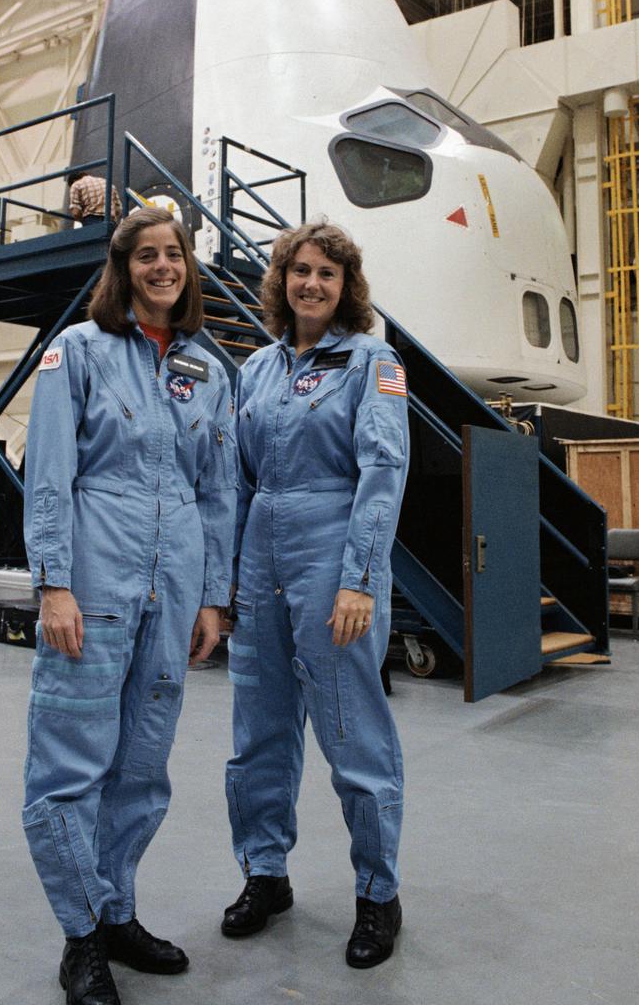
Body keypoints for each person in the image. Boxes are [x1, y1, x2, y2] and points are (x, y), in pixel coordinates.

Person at [22, 206, 236, 1005]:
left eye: (172, 254)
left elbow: (216, 493)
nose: (161, 267)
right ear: (124, 269)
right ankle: (81, 939)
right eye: (145, 255)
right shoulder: (76, 353)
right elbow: (48, 473)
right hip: (96, 578)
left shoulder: (208, 370)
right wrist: (53, 581)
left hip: (174, 584)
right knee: (70, 767)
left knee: (142, 768)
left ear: (188, 267)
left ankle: (117, 912)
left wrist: (212, 600)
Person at [223, 222, 410, 969]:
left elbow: (383, 471)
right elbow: (235, 482)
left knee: (352, 735)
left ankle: (377, 892)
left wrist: (360, 578)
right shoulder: (257, 370)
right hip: (260, 554)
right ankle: (264, 875)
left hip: (333, 556)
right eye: (299, 271)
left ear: (346, 285)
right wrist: (225, 585)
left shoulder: (372, 361)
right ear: (281, 281)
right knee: (258, 736)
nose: (311, 284)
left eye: (327, 273)